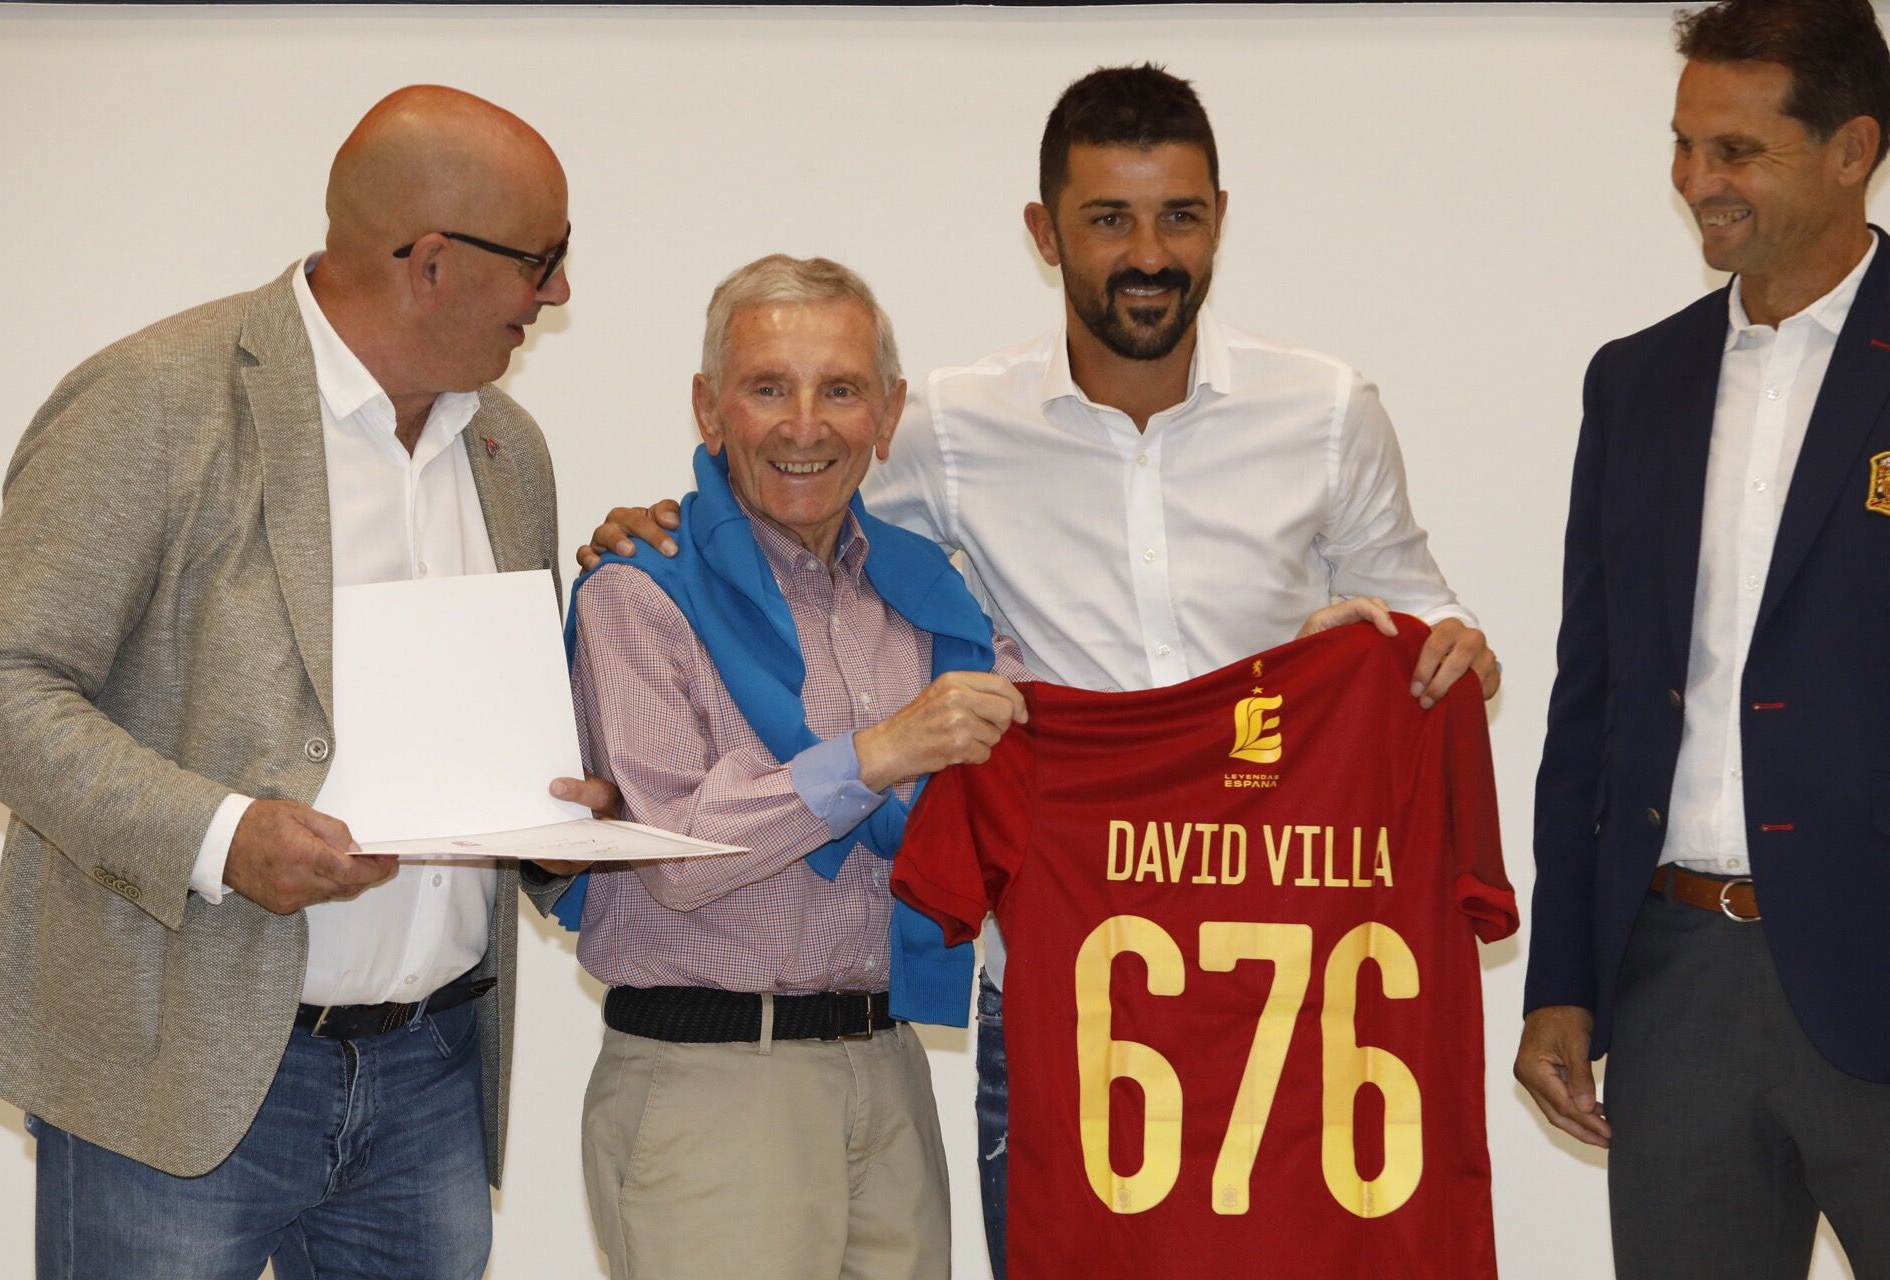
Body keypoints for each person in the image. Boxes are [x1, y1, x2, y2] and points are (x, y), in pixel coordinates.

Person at [582, 64, 1496, 1277]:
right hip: (1070, 983)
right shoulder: (952, 426)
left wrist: (1438, 648)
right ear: (1044, 232)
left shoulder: (1327, 409)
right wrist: (657, 518)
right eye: (1108, 219)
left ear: (1219, 216)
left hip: (1295, 978)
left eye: (1176, 215)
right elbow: (789, 485)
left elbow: (1420, 615)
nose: (1147, 252)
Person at [0, 85, 605, 1279]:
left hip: (429, 1075)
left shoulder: (512, 453)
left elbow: (472, 735)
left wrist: (557, 827)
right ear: (428, 262)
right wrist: (221, 835)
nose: (558, 292)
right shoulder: (157, 398)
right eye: (543, 258)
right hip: (174, 1070)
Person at [565, 253, 1034, 1279]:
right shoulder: (641, 593)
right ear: (708, 405)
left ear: (890, 411)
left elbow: (1076, 743)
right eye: (768, 386)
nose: (805, 423)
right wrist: (881, 752)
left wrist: (1306, 664)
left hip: (888, 1068)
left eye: (841, 389)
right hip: (714, 1083)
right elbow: (677, 855)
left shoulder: (929, 601)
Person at [1516, 2, 1890, 1275]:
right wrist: (1560, 973)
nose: (1696, 183)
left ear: (1853, 149)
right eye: (1683, 146)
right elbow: (1591, 699)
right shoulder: (1637, 381)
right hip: (1675, 982)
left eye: (1736, 151)